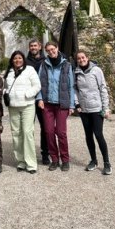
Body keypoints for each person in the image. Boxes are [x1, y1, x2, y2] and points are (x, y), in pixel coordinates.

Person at [37, 41, 75, 171]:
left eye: (52, 49)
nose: (51, 52)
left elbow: (70, 86)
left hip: (61, 104)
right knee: (48, 132)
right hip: (47, 104)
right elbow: (39, 83)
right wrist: (39, 98)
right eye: (48, 50)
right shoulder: (44, 65)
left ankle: (65, 159)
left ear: (57, 48)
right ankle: (54, 159)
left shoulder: (66, 65)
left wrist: (71, 105)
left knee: (61, 132)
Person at [75, 50, 112, 175]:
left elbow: (103, 88)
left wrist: (106, 108)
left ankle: (107, 163)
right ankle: (93, 160)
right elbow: (74, 89)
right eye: (79, 58)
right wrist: (77, 104)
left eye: (83, 57)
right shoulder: (76, 72)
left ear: (88, 58)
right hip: (84, 110)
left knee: (98, 134)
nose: (81, 60)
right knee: (88, 136)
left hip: (96, 109)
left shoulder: (97, 71)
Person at [4, 50, 41, 174]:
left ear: (23, 59)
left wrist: (27, 94)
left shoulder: (29, 70)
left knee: (27, 132)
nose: (17, 60)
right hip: (13, 106)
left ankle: (31, 163)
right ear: (12, 60)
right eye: (15, 58)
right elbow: (5, 87)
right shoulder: (8, 72)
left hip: (27, 105)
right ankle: (20, 161)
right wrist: (5, 93)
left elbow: (37, 85)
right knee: (16, 133)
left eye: (19, 58)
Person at [26, 38, 49, 165]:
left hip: (42, 99)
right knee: (28, 128)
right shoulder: (25, 61)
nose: (33, 48)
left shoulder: (46, 61)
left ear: (40, 47)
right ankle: (28, 154)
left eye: (35, 46)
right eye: (31, 46)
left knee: (45, 127)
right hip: (28, 99)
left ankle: (45, 154)